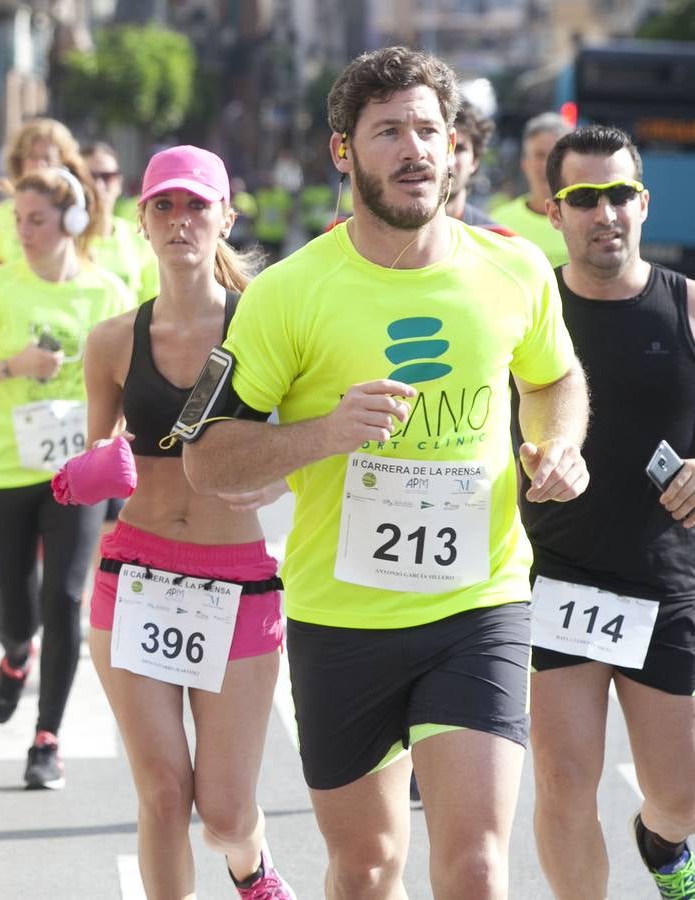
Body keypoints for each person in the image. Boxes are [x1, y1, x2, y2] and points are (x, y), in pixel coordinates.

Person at [182, 47, 591, 899]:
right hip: (342, 616)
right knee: (367, 867)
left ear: (453, 146)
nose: (415, 150)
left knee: (477, 861)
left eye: (429, 130)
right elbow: (207, 455)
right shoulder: (287, 295)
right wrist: (323, 433)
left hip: (478, 602)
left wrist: (560, 444)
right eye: (388, 132)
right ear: (344, 152)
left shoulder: (512, 270)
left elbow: (553, 378)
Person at [78, 144, 295, 898]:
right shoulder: (110, 341)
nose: (180, 221)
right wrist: (92, 471)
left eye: (197, 206)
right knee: (163, 794)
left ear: (226, 217)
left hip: (236, 583)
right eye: (163, 206)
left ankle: (251, 864)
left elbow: (308, 436)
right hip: (134, 573)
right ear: (141, 221)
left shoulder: (264, 327)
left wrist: (280, 471)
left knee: (226, 811)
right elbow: (97, 455)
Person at [524, 123, 695, 900]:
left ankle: (663, 846)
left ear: (644, 202)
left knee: (681, 796)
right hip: (556, 576)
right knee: (564, 784)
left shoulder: (686, 305)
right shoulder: (530, 313)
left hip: (667, 577)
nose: (606, 212)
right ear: (552, 211)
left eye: (620, 193)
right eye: (583, 197)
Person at [0, 166, 134, 789]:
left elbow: (131, 379)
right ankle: (16, 653)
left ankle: (47, 738)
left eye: (37, 220)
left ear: (71, 224)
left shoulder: (106, 294)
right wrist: (11, 367)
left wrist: (115, 437)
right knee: (17, 607)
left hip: (73, 472)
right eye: (18, 220)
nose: (23, 231)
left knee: (66, 598)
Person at [0, 118, 92, 266]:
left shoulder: (76, 211)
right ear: (19, 161)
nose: (40, 164)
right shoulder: (2, 212)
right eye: (32, 156)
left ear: (63, 161)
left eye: (47, 157)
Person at [81, 141, 160, 303]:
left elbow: (155, 303)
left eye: (106, 177)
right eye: (89, 177)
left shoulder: (141, 241)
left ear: (119, 182)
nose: (98, 185)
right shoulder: (64, 240)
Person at [491, 112, 572, 266]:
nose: (548, 165)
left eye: (555, 155)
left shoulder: (588, 220)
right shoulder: (498, 224)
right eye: (540, 155)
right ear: (525, 164)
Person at [446, 102, 505, 232]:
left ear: (475, 161)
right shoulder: (394, 236)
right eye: (443, 147)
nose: (449, 159)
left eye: (459, 148)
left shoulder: (496, 238)